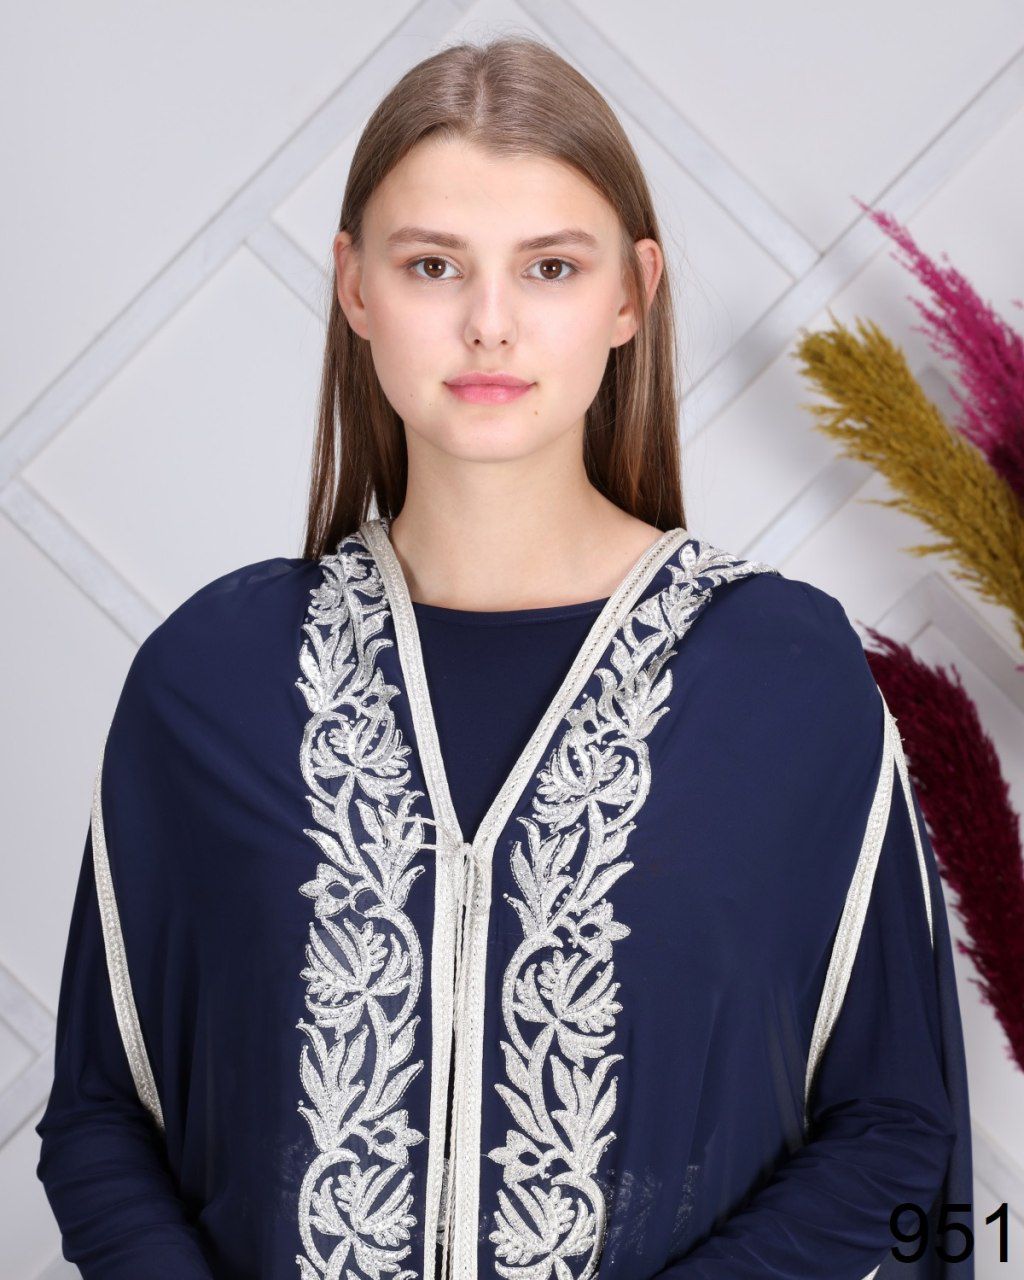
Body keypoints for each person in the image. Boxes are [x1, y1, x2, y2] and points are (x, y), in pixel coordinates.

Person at [35, 34, 972, 1280]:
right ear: (353, 287)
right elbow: (102, 1115)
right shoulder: (207, 681)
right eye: (432, 265)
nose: (488, 324)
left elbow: (894, 1127)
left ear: (631, 293)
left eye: (549, 266)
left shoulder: (783, 680)